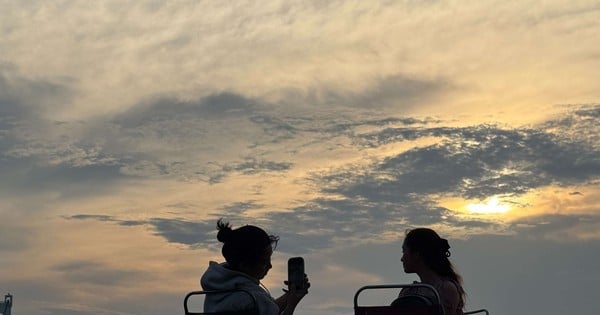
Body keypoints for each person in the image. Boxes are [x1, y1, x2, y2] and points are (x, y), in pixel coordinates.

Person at [200, 219, 309, 315]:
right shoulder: (250, 296)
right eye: (264, 262)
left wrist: (291, 295)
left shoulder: (216, 288)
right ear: (244, 265)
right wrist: (292, 305)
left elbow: (268, 308)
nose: (270, 266)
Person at [395, 228, 466, 315]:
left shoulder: (445, 288)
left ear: (417, 254)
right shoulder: (408, 291)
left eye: (404, 252)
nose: (402, 259)